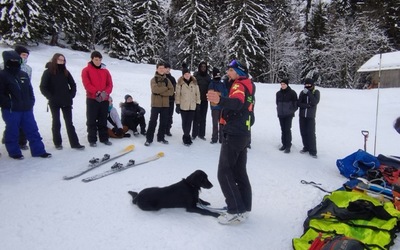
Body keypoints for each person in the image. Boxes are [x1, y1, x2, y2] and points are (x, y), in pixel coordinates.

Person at [206, 60, 255, 225]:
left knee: (224, 173)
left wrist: (220, 101)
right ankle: (244, 207)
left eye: (231, 70)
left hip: (234, 133)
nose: (228, 72)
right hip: (243, 133)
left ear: (239, 72)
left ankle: (235, 210)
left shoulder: (238, 85)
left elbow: (237, 103)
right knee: (239, 172)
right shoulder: (248, 84)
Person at [0, 50, 51, 159]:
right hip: (11, 109)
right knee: (12, 131)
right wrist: (9, 103)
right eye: (11, 60)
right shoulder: (2, 75)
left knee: (33, 130)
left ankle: (38, 150)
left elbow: (30, 90)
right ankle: (14, 152)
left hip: (26, 108)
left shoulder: (23, 74)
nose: (14, 62)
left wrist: (31, 101)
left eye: (16, 60)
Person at [40, 53, 85, 150]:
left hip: (66, 101)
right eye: (59, 60)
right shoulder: (48, 72)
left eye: (63, 60)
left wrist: (71, 95)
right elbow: (43, 87)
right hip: (54, 102)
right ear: (55, 60)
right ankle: (57, 143)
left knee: (69, 123)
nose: (61, 61)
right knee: (56, 122)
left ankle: (75, 143)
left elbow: (73, 84)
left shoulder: (66, 72)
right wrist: (50, 97)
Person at [0, 45, 31, 150]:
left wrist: (29, 99)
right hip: (10, 99)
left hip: (24, 99)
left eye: (26, 56)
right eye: (23, 55)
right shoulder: (3, 66)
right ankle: (9, 138)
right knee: (12, 122)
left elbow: (28, 84)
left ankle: (22, 141)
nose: (24, 57)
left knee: (24, 122)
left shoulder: (27, 69)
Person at [81, 51, 113, 147]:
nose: (98, 61)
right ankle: (92, 139)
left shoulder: (105, 71)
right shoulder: (86, 70)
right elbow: (87, 84)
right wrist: (96, 92)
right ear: (92, 59)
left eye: (99, 60)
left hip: (104, 99)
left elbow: (110, 84)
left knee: (103, 119)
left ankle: (104, 138)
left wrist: (105, 92)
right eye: (96, 59)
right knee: (91, 120)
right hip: (92, 98)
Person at [145, 62, 174, 146]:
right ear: (157, 69)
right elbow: (155, 90)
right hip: (155, 104)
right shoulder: (153, 79)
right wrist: (165, 89)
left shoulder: (167, 80)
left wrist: (161, 92)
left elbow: (171, 91)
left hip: (165, 105)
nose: (161, 70)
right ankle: (149, 139)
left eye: (163, 68)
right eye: (160, 68)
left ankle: (161, 138)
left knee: (163, 122)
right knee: (153, 122)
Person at [175, 68, 200, 146]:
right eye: (185, 74)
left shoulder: (194, 83)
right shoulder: (180, 83)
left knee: (189, 122)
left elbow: (197, 94)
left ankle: (186, 137)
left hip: (192, 106)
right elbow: (177, 95)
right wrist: (177, 105)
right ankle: (186, 135)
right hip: (183, 105)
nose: (187, 75)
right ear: (183, 75)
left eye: (188, 73)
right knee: (184, 122)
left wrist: (198, 103)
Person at [298, 78, 320, 158]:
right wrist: (308, 105)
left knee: (311, 133)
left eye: (309, 85)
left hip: (310, 116)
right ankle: (306, 147)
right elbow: (299, 103)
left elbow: (315, 102)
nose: (307, 86)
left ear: (312, 85)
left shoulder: (316, 92)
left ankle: (313, 150)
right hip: (302, 116)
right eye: (306, 85)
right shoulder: (302, 93)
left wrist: (309, 94)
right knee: (303, 132)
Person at [276, 79, 298, 153]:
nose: (282, 86)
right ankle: (284, 144)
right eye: (281, 84)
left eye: (284, 84)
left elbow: (296, 105)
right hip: (281, 114)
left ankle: (288, 145)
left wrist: (290, 110)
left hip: (288, 115)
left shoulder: (292, 93)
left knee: (287, 129)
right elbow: (277, 103)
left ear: (287, 85)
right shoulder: (278, 93)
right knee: (283, 129)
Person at [208, 67, 228, 144]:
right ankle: (214, 138)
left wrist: (219, 94)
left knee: (221, 123)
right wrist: (218, 94)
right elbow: (211, 94)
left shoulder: (222, 83)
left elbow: (225, 93)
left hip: (222, 106)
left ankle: (221, 138)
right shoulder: (211, 83)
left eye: (218, 74)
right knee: (215, 123)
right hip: (215, 106)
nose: (218, 76)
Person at [192, 61, 211, 140]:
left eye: (204, 67)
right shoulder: (196, 76)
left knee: (203, 117)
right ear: (199, 67)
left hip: (205, 100)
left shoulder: (208, 77)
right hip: (197, 100)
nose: (203, 68)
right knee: (196, 117)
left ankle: (201, 134)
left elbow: (211, 87)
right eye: (202, 66)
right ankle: (194, 134)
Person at [164, 62, 176, 136]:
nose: (168, 70)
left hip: (171, 100)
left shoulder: (172, 78)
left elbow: (175, 88)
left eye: (169, 68)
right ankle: (163, 129)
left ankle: (168, 129)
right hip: (164, 100)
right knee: (164, 115)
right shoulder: (162, 77)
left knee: (170, 116)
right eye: (166, 68)